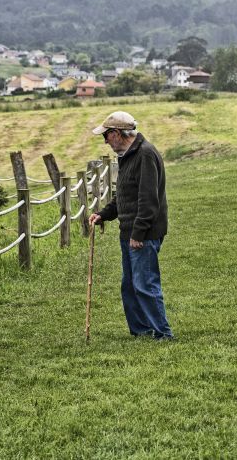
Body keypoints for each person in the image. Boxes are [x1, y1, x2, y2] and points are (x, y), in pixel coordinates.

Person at [88, 111, 173, 340]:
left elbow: (148, 199)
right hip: (130, 231)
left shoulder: (145, 154)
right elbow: (125, 195)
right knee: (130, 285)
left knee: (145, 284)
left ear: (116, 133)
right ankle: (141, 330)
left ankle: (162, 333)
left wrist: (139, 233)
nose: (105, 141)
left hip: (142, 233)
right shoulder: (128, 155)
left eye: (106, 136)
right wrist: (103, 214)